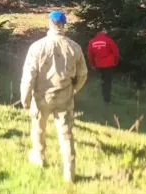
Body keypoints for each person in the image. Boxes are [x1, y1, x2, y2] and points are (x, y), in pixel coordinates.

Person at [21, 10, 88, 183]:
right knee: (66, 133)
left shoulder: (37, 47)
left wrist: (25, 98)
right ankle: (69, 171)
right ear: (64, 25)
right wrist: (74, 89)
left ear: (50, 23)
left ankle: (39, 157)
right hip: (65, 97)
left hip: (41, 97)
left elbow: (29, 75)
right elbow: (83, 74)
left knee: (38, 128)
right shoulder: (74, 47)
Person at [87, 29, 120, 104]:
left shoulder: (92, 41)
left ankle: (104, 96)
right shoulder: (109, 40)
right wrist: (116, 62)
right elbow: (116, 53)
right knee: (108, 81)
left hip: (99, 65)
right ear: (104, 32)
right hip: (109, 64)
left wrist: (92, 65)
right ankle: (107, 100)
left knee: (103, 80)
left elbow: (90, 55)